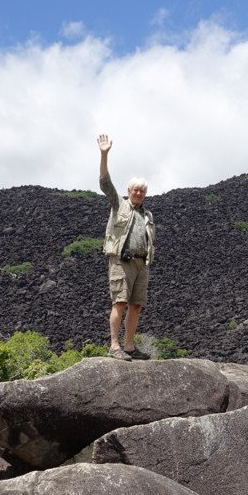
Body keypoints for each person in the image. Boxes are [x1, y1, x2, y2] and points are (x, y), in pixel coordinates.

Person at [97, 133, 155, 360]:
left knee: (136, 305)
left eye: (142, 190)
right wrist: (104, 154)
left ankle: (129, 346)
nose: (139, 193)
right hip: (122, 261)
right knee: (120, 302)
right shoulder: (119, 204)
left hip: (142, 263)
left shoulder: (147, 215)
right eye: (135, 190)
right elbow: (105, 183)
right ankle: (114, 346)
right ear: (129, 191)